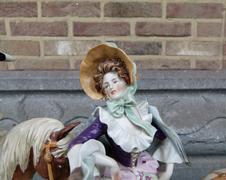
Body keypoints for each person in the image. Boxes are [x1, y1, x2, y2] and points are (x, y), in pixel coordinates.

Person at [67, 43, 189, 180]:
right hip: (120, 173)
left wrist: (167, 171)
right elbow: (80, 143)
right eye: (106, 85)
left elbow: (166, 137)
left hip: (144, 168)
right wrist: (109, 164)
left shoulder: (144, 111)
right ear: (104, 92)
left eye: (114, 81)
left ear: (126, 80)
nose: (111, 87)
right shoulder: (105, 118)